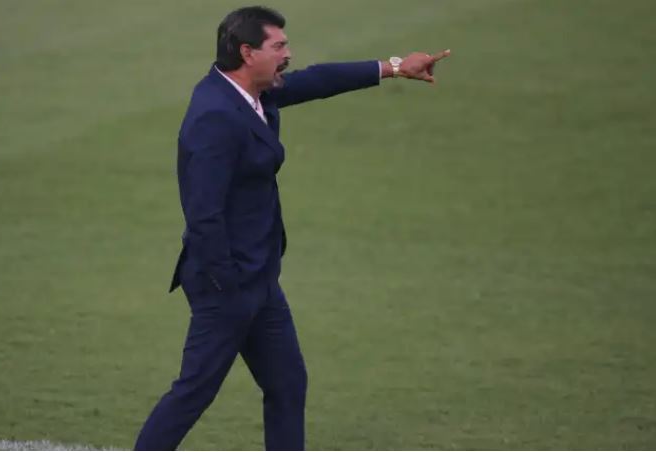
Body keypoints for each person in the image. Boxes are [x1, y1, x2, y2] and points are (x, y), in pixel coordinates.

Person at [134, 6, 450, 451]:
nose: (288, 54)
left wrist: (395, 67)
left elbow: (317, 80)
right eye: (279, 46)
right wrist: (228, 286)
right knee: (194, 392)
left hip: (259, 278)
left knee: (287, 384)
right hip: (227, 284)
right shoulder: (215, 116)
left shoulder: (255, 93)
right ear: (248, 53)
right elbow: (203, 215)